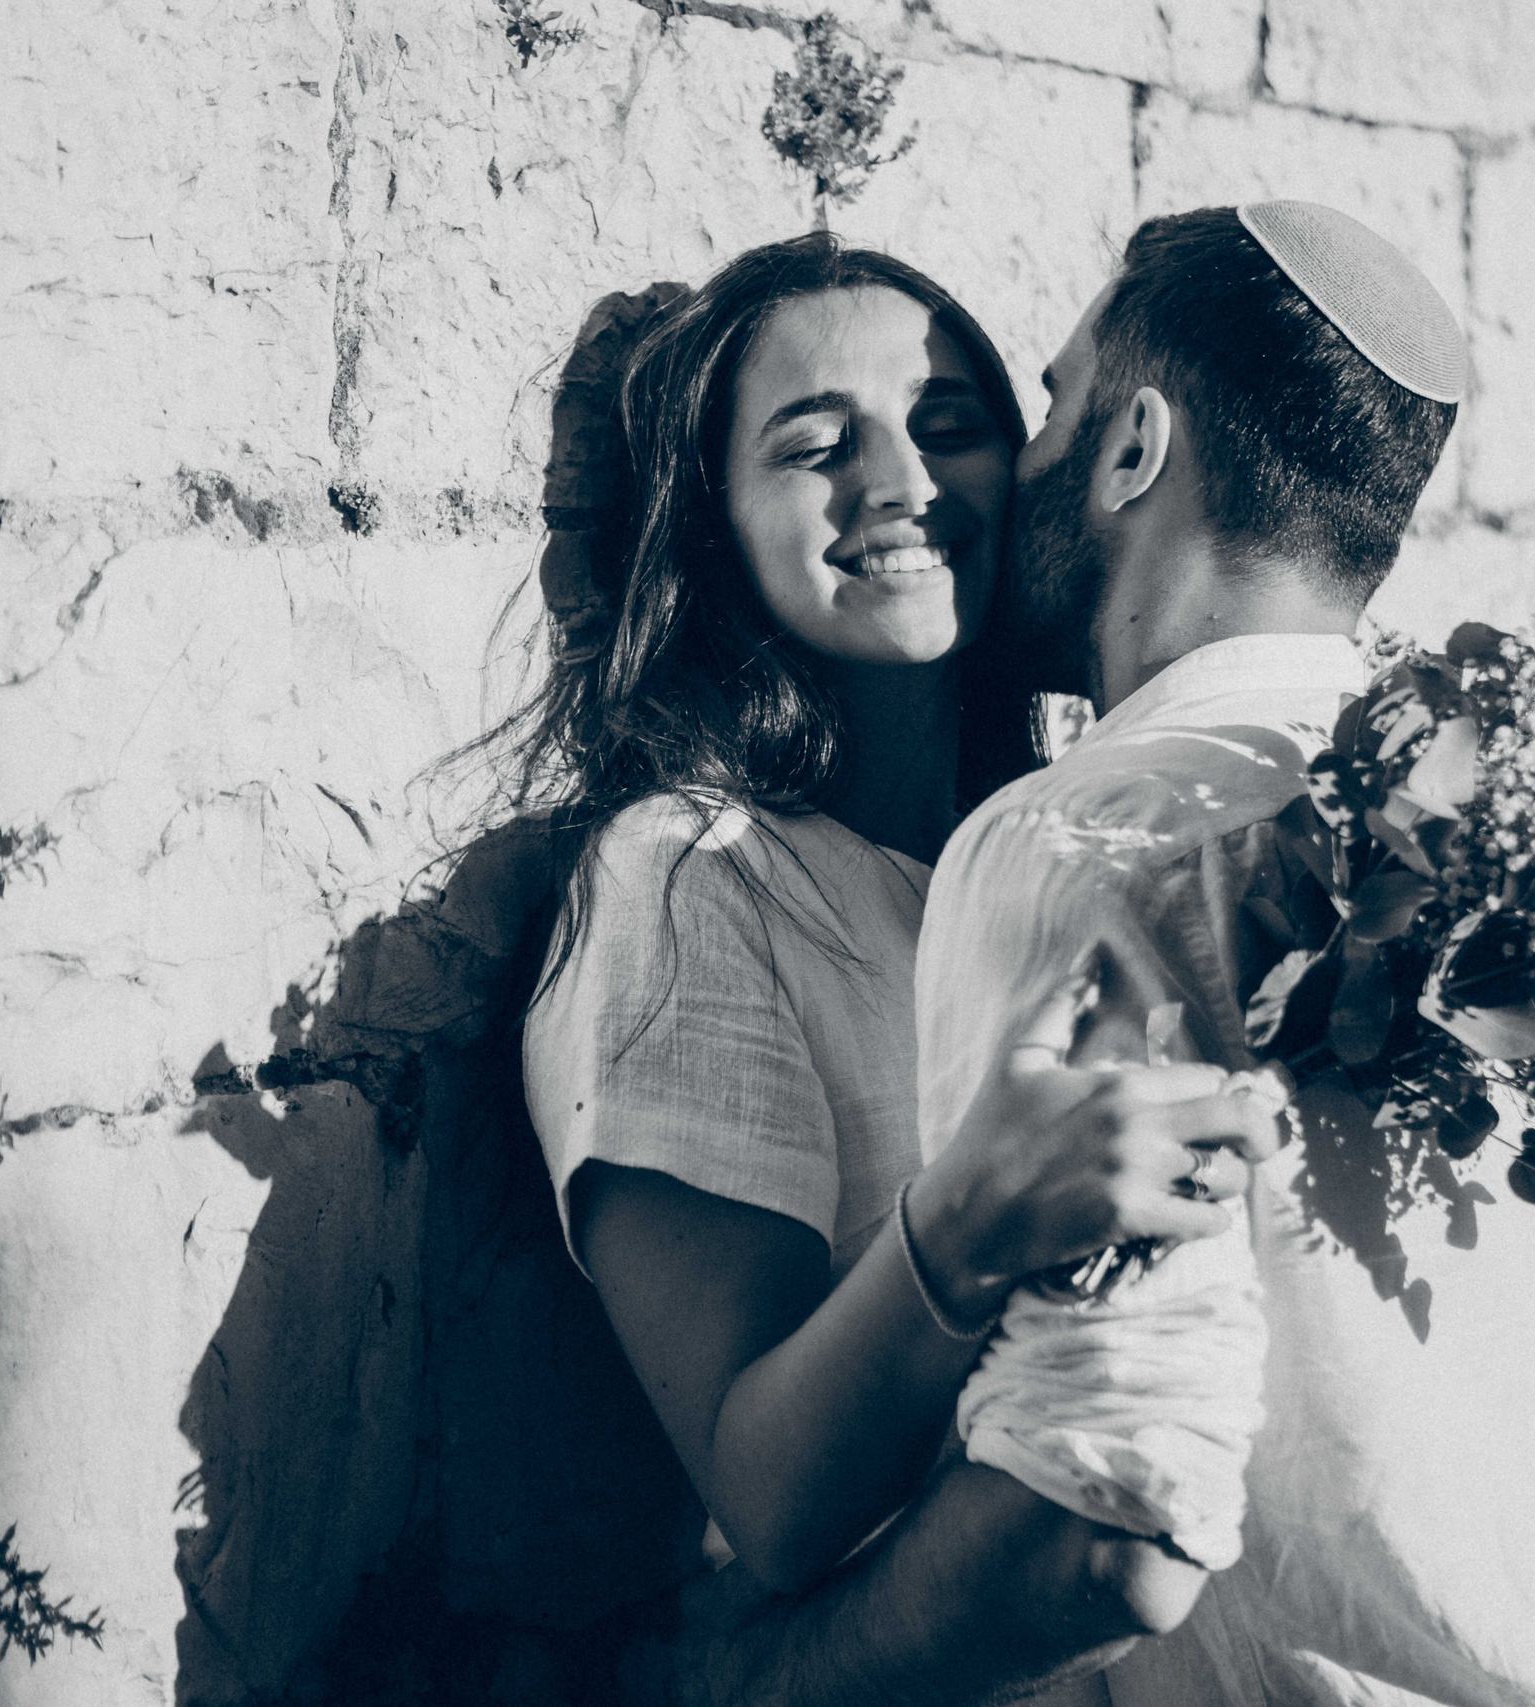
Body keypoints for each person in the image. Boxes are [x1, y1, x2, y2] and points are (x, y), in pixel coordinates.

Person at [911, 202, 1535, 1704]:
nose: (1022, 465)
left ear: (1134, 447)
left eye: (1053, 407)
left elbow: (1084, 1524)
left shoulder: (1081, 844)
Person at [503, 231, 1284, 1693]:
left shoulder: (1072, 854)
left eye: (949, 430)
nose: (904, 486)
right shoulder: (689, 879)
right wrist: (968, 1220)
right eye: (815, 448)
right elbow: (771, 1500)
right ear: (712, 524)